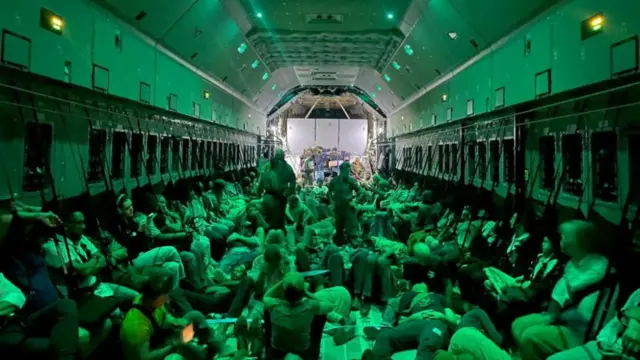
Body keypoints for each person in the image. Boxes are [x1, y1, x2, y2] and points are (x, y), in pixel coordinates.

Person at [120, 268, 193, 360]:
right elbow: (145, 357)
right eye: (164, 296)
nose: (167, 299)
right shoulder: (136, 327)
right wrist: (173, 345)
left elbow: (164, 316)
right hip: (147, 354)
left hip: (158, 341)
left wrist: (175, 322)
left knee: (194, 316)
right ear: (151, 298)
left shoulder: (149, 302)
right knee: (175, 358)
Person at [257, 149, 297, 231]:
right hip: (277, 197)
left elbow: (261, 182)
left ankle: (272, 237)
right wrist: (291, 193)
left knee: (273, 221)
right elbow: (293, 183)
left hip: (272, 197)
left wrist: (258, 194)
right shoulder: (286, 167)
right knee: (277, 222)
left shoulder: (268, 166)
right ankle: (276, 237)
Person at [328, 161, 362, 245]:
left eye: (349, 171)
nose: (347, 173)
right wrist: (331, 202)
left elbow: (360, 192)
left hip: (348, 207)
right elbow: (329, 192)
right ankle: (340, 244)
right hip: (338, 207)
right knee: (338, 228)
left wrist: (354, 200)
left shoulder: (351, 181)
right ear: (341, 170)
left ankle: (353, 244)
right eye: (346, 171)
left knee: (351, 228)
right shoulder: (334, 181)